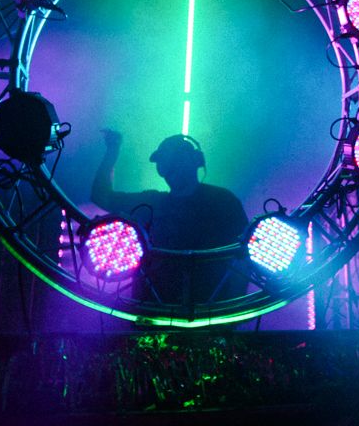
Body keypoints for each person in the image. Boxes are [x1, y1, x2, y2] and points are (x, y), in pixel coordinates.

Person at [91, 130, 249, 310]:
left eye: (175, 161)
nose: (169, 169)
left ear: (195, 161)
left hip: (207, 312)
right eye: (164, 164)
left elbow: (244, 255)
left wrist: (232, 308)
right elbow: (101, 196)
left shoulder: (222, 202)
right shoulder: (151, 203)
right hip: (152, 311)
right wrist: (112, 150)